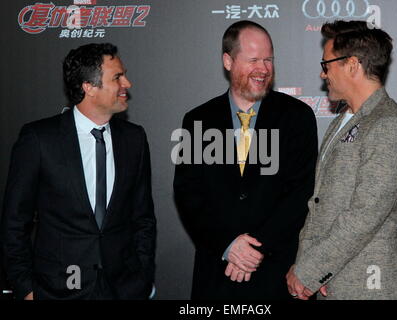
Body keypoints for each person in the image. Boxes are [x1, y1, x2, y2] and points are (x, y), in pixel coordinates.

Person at [173, 20, 318, 300]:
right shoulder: (197, 120)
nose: (263, 68)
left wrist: (254, 249)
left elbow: (302, 193)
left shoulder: (297, 116)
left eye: (268, 59)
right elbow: (188, 195)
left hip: (278, 275)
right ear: (228, 61)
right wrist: (228, 244)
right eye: (253, 60)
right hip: (217, 273)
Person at [1, 43, 156, 300]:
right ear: (89, 87)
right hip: (57, 290)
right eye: (117, 77)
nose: (127, 83)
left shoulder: (134, 139)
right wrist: (25, 288)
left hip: (122, 289)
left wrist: (142, 276)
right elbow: (14, 221)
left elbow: (143, 218)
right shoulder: (40, 139)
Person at [286, 20, 397, 300]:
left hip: (368, 287)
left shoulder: (387, 124)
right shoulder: (343, 121)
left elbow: (363, 216)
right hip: (331, 282)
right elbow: (319, 204)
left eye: (326, 65)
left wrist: (309, 271)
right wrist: (307, 266)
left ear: (352, 65)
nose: (323, 75)